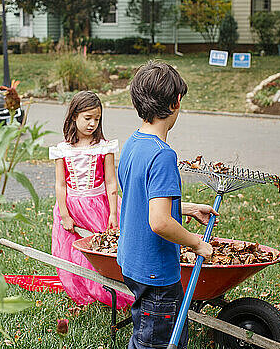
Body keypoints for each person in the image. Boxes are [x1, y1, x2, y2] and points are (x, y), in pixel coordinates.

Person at [117, 61, 219, 349]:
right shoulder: (162, 155)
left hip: (132, 264)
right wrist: (197, 244)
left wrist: (184, 208)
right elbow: (159, 221)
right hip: (157, 272)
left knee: (145, 332)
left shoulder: (133, 144)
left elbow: (140, 197)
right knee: (157, 342)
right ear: (176, 102)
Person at [49, 91, 133, 309]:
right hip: (72, 208)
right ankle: (84, 289)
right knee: (73, 251)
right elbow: (61, 185)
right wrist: (65, 214)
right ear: (74, 116)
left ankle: (109, 288)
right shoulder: (63, 150)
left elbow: (111, 182)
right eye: (87, 118)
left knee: (100, 248)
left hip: (98, 206)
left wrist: (113, 213)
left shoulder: (104, 147)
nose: (92, 124)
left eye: (97, 118)